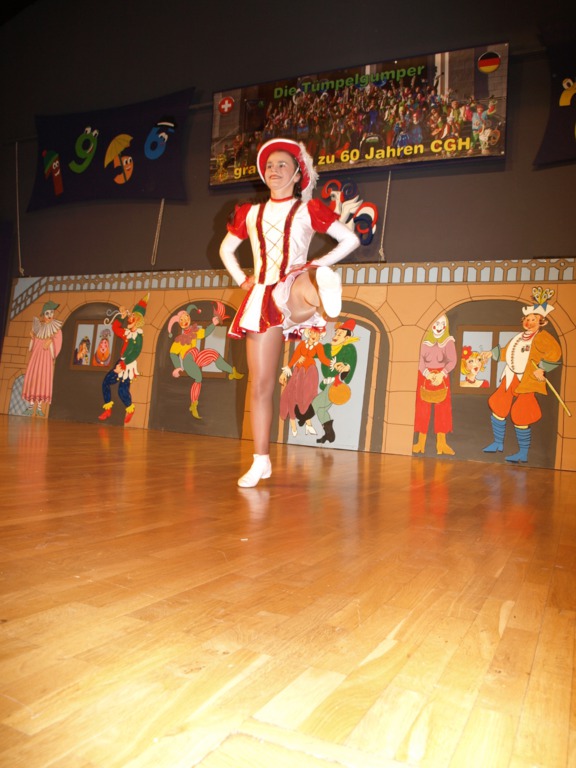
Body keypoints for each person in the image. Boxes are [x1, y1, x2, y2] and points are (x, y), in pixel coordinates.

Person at [219, 138, 360, 487]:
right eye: (269, 165)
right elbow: (226, 249)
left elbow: (350, 240)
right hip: (262, 299)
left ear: (298, 174)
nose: (274, 169)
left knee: (305, 281)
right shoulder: (250, 213)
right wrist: (242, 280)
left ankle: (322, 288)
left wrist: (316, 264)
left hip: (294, 284)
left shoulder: (307, 210)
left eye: (282, 164)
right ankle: (261, 461)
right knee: (261, 384)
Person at [483, 288, 561, 463]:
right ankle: (497, 443)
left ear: (541, 322)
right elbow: (507, 352)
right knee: (498, 404)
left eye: (533, 319)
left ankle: (523, 453)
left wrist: (542, 368)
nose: (529, 322)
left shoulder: (542, 338)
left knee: (521, 413)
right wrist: (492, 353)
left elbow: (554, 353)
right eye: (527, 319)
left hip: (527, 381)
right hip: (510, 376)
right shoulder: (519, 337)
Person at [22, 300, 63, 417]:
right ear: (43, 314)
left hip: (45, 360)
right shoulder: (39, 327)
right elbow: (33, 346)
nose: (50, 316)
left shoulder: (56, 329)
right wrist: (32, 338)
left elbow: (57, 344)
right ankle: (31, 406)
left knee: (42, 380)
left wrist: (51, 342)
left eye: (52, 312)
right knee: (34, 379)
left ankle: (39, 407)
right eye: (47, 313)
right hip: (36, 358)